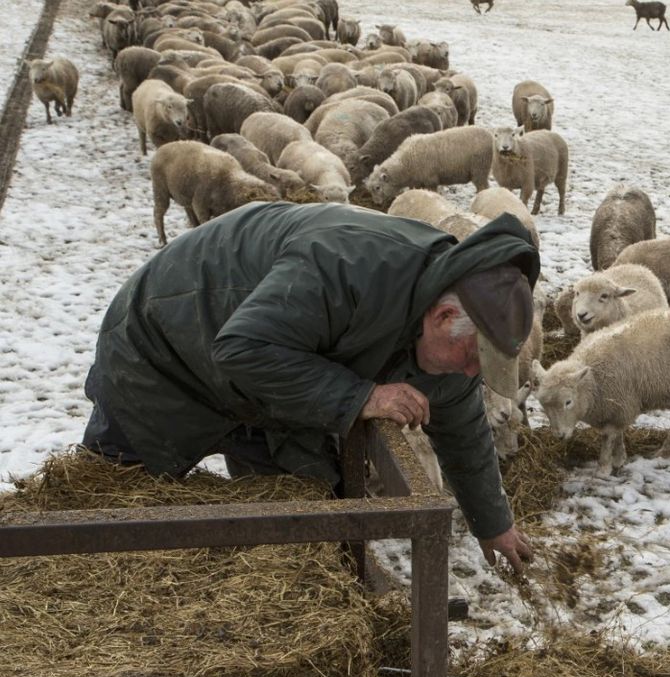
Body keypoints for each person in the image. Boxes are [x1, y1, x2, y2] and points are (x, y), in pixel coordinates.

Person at [80, 201, 538, 573]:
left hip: (274, 381)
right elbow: (243, 348)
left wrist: (492, 523)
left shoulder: (450, 349)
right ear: (442, 319)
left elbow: (462, 430)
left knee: (309, 527)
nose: (470, 374)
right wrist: (363, 396)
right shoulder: (350, 266)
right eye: (474, 358)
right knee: (116, 511)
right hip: (168, 345)